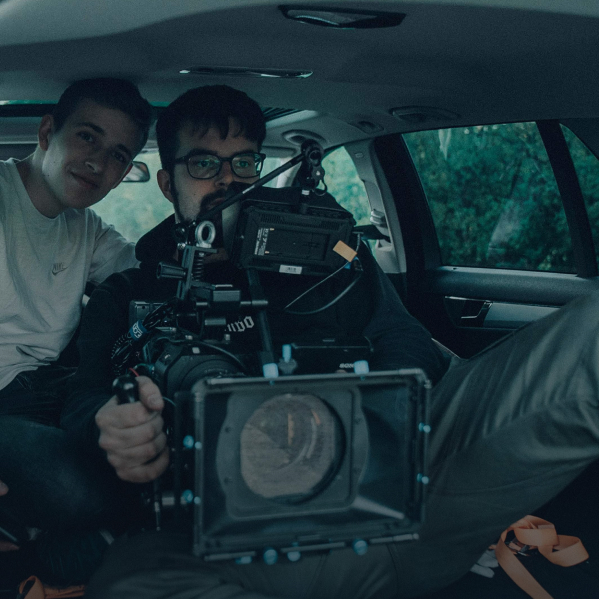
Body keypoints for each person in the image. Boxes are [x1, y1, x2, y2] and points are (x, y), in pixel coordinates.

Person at [68, 85, 599, 598]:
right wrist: (112, 425)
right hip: (238, 537)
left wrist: (374, 415)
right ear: (167, 182)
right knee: (126, 583)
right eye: (205, 164)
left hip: (409, 487)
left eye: (245, 162)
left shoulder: (330, 253)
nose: (228, 180)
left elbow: (404, 338)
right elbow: (80, 404)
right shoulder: (127, 292)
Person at [0, 77, 153, 578]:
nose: (97, 162)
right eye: (87, 136)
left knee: (157, 450)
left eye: (117, 154)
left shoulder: (86, 230)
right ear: (47, 132)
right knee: (75, 487)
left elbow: (146, 281)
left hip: (51, 395)